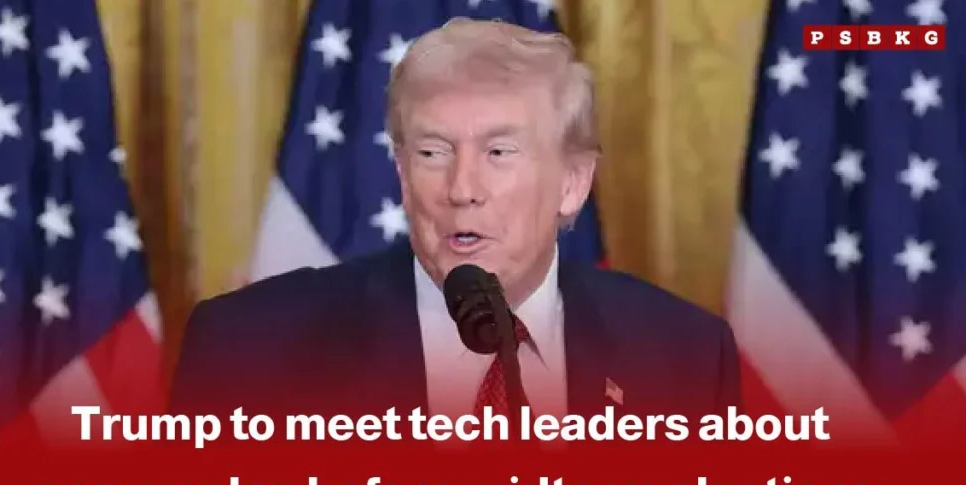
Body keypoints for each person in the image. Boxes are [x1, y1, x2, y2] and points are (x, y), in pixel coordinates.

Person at [169, 18, 741, 425]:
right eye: (433, 152)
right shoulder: (248, 351)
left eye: (499, 153)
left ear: (572, 183)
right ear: (400, 171)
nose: (462, 190)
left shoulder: (684, 358)